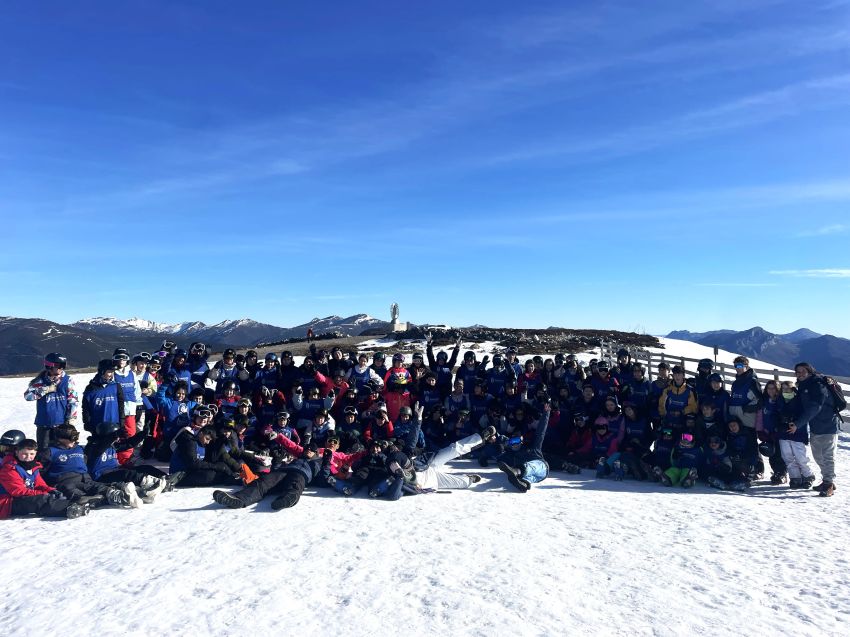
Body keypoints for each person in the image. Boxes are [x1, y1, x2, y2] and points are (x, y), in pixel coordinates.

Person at [0, 438, 90, 520]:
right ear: (17, 452)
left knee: (54, 492)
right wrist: (43, 493)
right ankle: (68, 508)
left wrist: (51, 490)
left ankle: (74, 503)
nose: (28, 457)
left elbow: (40, 484)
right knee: (39, 500)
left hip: (21, 497)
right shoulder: (9, 468)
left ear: (35, 454)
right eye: (24, 454)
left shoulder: (33, 467)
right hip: (7, 502)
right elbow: (18, 491)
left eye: (31, 454)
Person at [793, 362, 840, 497]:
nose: (800, 374)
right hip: (815, 426)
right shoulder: (803, 385)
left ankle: (828, 483)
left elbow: (815, 406)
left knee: (827, 456)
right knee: (817, 456)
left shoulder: (817, 385)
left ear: (810, 371)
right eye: (798, 372)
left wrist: (798, 424)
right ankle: (827, 479)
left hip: (828, 425)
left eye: (803, 371)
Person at [24, 353, 79, 450]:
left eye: (63, 365)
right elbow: (28, 396)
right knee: (44, 452)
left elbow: (73, 401)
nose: (61, 368)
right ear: (49, 366)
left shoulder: (67, 381)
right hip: (44, 424)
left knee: (62, 451)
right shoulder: (40, 381)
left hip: (62, 425)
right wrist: (46, 389)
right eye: (58, 365)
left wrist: (71, 418)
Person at [496, 403, 552, 492]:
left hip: (542, 467)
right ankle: (525, 484)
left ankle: (516, 471)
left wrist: (546, 413)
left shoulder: (534, 447)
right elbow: (499, 459)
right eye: (512, 441)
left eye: (517, 441)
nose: (514, 444)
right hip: (534, 477)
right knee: (526, 478)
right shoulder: (510, 455)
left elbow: (541, 431)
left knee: (530, 466)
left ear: (522, 442)